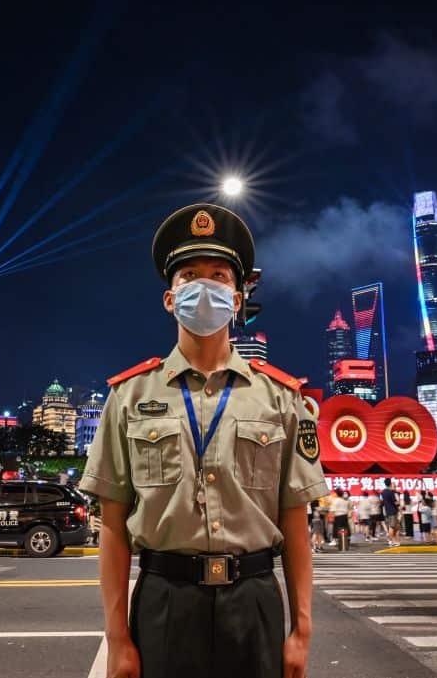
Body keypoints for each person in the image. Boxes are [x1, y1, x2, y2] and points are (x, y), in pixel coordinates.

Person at [78, 203, 327, 678]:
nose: (204, 286)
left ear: (237, 299)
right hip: (163, 602)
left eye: (219, 276)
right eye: (189, 275)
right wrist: (117, 638)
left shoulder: (279, 398)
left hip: (254, 602)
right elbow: (113, 525)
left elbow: (295, 521)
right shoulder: (129, 396)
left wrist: (301, 632)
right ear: (170, 298)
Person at [380, 480, 401, 547]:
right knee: (392, 527)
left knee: (394, 526)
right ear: (390, 484)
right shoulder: (390, 492)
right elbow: (395, 502)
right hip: (392, 511)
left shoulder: (383, 492)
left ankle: (394, 541)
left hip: (387, 511)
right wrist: (399, 503)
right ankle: (390, 540)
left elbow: (382, 502)